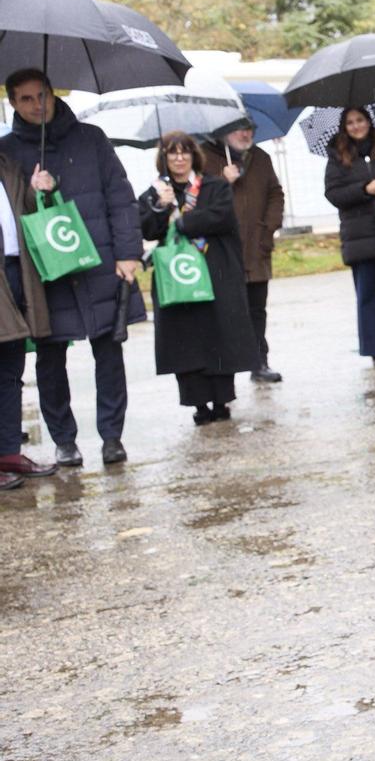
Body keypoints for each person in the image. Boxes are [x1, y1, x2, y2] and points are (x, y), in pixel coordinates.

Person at [0, 69, 144, 469]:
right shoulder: (6, 152)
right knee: (50, 358)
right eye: (25, 99)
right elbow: (9, 217)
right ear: (13, 103)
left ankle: (112, 435)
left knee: (109, 349)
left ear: (52, 93)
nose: (36, 105)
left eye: (41, 95)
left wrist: (128, 252)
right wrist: (32, 190)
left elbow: (120, 196)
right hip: (45, 272)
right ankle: (64, 440)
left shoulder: (91, 138)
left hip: (99, 262)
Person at [137, 132, 258, 424]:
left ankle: (220, 401)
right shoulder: (155, 193)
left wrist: (181, 220)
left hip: (214, 271)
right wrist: (159, 208)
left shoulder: (214, 186)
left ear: (194, 155)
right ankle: (198, 404)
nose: (179, 158)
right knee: (186, 339)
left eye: (185, 152)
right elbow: (146, 230)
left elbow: (222, 217)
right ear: (163, 159)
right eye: (172, 153)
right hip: (176, 277)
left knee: (217, 334)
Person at [322, 107, 375, 366]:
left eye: (360, 120)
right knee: (367, 296)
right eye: (350, 122)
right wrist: (364, 189)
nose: (356, 126)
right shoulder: (338, 156)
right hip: (359, 238)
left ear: (369, 122)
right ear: (344, 127)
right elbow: (333, 193)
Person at [205, 119, 285, 383]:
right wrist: (222, 181)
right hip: (222, 251)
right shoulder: (205, 157)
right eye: (240, 128)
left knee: (256, 309)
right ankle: (223, 367)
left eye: (250, 127)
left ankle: (258, 362)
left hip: (256, 247)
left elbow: (275, 193)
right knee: (225, 311)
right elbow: (198, 201)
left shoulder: (260, 157)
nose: (246, 133)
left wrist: (268, 228)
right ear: (223, 130)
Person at [0, 144, 53, 489]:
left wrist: (36, 191)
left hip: (16, 272)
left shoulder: (7, 164)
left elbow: (25, 213)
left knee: (10, 370)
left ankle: (8, 453)